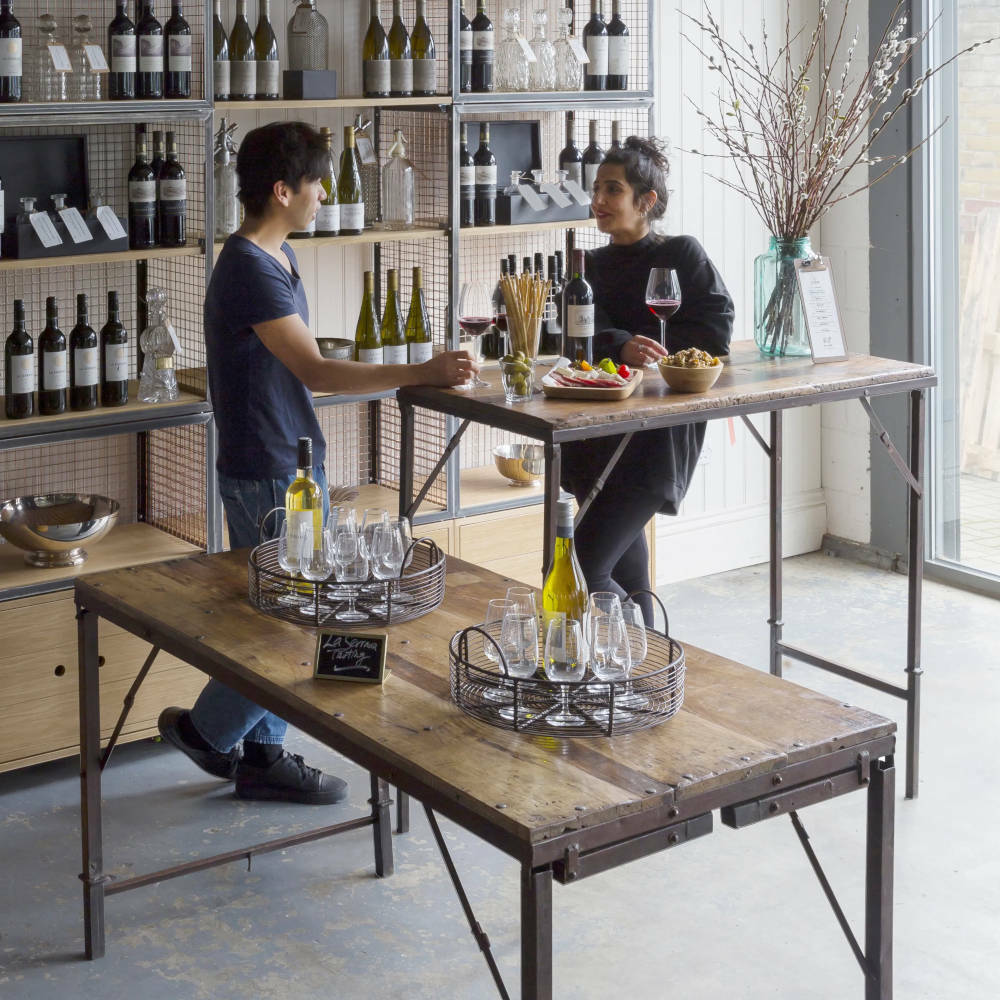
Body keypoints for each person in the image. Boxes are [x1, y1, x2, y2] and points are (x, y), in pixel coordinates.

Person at [158, 121, 478, 805]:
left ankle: (264, 755)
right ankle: (209, 733)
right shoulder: (249, 268)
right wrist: (420, 369)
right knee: (292, 616)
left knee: (285, 610)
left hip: (284, 458)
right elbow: (315, 371)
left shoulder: (275, 259)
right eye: (316, 183)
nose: (325, 193)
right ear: (282, 191)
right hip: (270, 468)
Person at [561, 136, 735, 625]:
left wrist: (652, 350)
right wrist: (620, 344)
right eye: (596, 189)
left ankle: (631, 657)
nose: (597, 201)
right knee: (629, 577)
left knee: (580, 566)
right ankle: (643, 673)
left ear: (647, 201)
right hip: (596, 437)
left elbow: (716, 328)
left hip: (653, 440)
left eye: (611, 190)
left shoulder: (681, 254)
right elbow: (575, 335)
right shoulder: (588, 266)